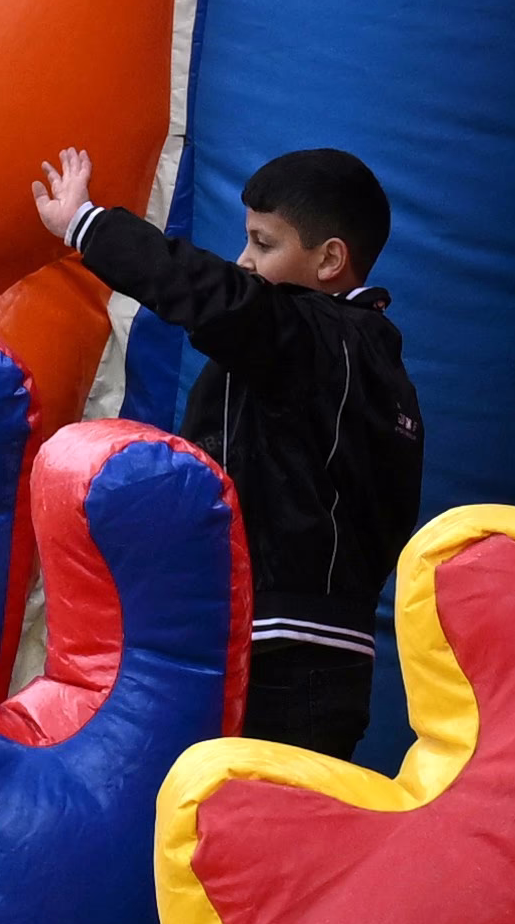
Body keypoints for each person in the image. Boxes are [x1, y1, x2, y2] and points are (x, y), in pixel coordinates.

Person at [30, 140, 419, 755]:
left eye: (264, 244)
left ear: (330, 260)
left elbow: (212, 294)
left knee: (249, 833)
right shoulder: (371, 367)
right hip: (322, 651)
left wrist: (87, 225)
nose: (243, 260)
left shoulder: (313, 339)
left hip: (282, 655)